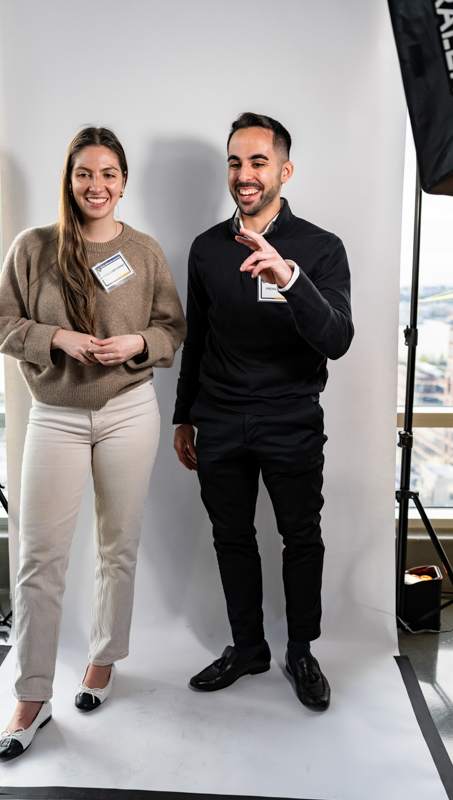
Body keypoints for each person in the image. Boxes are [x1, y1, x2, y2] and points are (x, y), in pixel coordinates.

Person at [0, 126, 186, 760]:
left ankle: (103, 660)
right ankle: (32, 694)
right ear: (69, 181)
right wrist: (56, 338)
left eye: (107, 174)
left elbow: (172, 328)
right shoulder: (35, 247)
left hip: (130, 411)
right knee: (39, 558)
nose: (95, 186)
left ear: (123, 182)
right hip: (56, 416)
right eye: (84, 174)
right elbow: (1, 323)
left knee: (117, 548)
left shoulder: (145, 251)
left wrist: (138, 345)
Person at [173, 112, 353, 711]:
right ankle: (248, 648)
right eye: (235, 162)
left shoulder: (320, 248)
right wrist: (184, 416)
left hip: (290, 420)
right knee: (232, 538)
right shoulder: (205, 249)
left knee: (302, 538)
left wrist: (290, 278)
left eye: (257, 162)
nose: (244, 174)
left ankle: (301, 650)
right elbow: (198, 338)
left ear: (284, 170)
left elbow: (337, 338)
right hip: (220, 420)